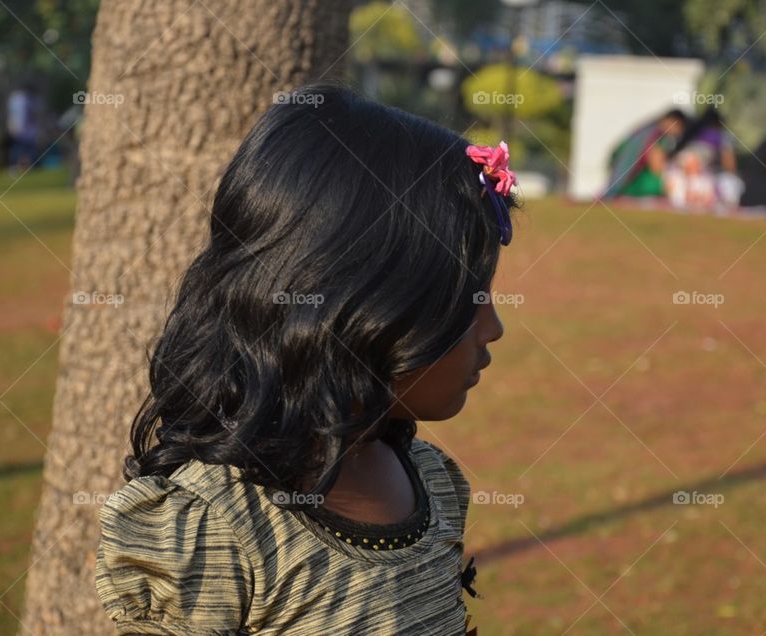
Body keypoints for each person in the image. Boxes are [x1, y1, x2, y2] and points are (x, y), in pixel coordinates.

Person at [94, 83, 517, 635]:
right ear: (354, 302)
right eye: (468, 298)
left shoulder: (434, 483)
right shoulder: (215, 527)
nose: (495, 329)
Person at [604, 109, 687, 198]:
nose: (678, 133)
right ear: (672, 122)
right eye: (679, 128)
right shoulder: (657, 135)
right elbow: (656, 167)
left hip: (620, 180)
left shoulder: (643, 130)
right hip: (634, 184)